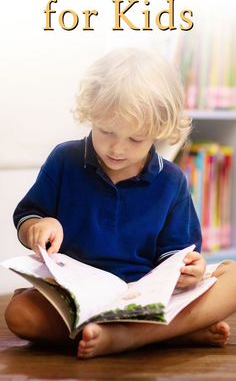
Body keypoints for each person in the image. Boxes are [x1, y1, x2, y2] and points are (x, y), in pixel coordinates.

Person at [5, 48, 234, 359]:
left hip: (145, 297)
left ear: (159, 131)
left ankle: (129, 335)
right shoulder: (65, 159)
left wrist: (189, 269)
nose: (117, 148)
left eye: (136, 139)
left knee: (232, 277)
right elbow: (29, 216)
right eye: (106, 131)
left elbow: (177, 256)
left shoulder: (172, 180)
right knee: (20, 314)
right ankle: (168, 333)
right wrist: (37, 226)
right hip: (78, 297)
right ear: (92, 114)